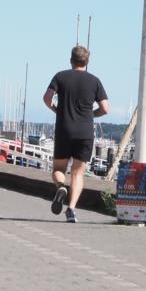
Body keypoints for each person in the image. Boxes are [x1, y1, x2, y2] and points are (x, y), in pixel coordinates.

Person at [43, 45, 110, 223]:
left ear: (71, 60)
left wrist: (56, 110)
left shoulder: (60, 76)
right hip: (85, 131)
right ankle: (71, 209)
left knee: (58, 169)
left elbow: (47, 98)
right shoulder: (95, 81)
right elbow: (105, 108)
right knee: (78, 174)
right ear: (87, 62)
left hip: (65, 128)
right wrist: (91, 114)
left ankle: (61, 187)